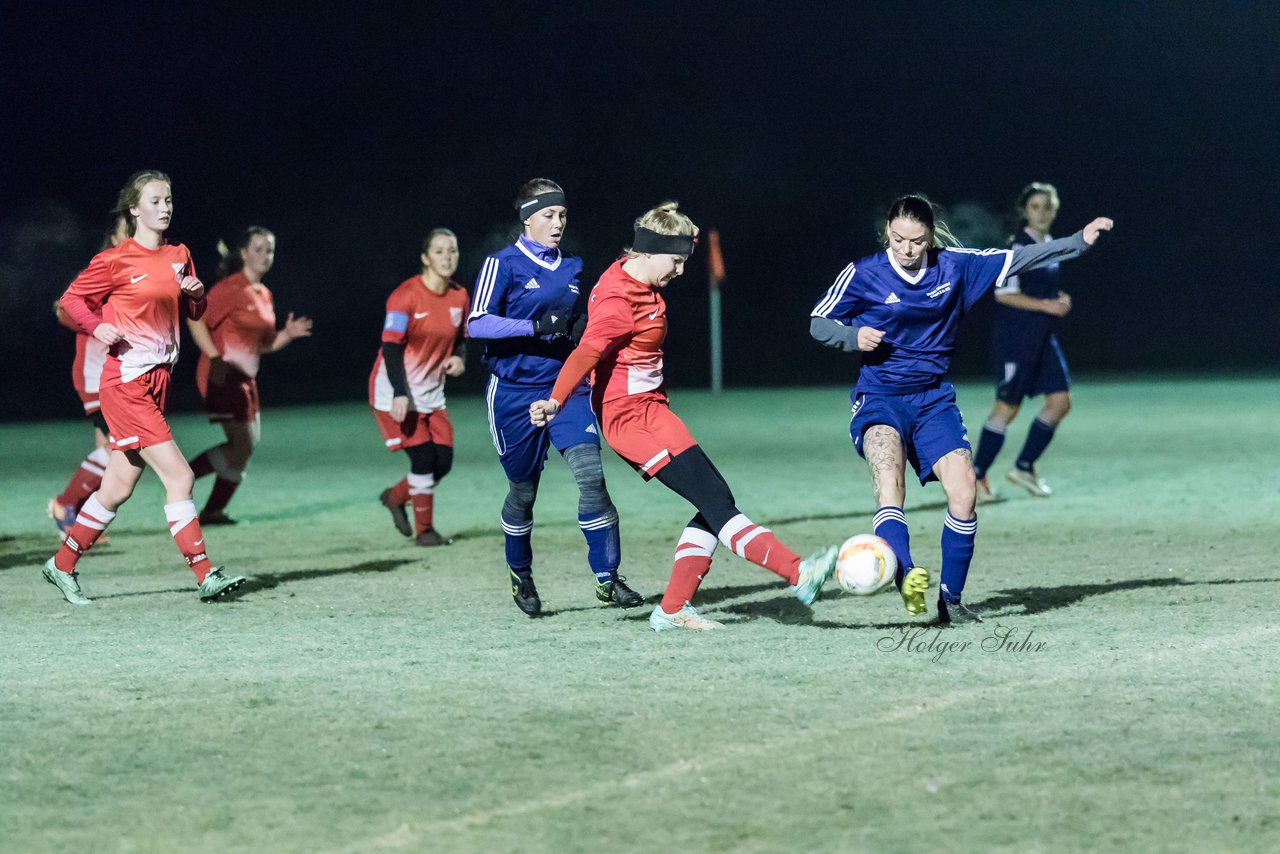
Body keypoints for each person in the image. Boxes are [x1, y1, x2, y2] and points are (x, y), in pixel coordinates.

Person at [530, 202, 840, 632]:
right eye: (675, 260)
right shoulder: (620, 299)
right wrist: (556, 400)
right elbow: (587, 351)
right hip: (631, 419)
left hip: (651, 411)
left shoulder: (632, 273)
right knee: (716, 502)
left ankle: (672, 609)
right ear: (648, 251)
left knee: (715, 500)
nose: (679, 270)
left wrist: (676, 227)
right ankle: (798, 572)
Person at [810, 194, 1111, 624]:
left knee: (965, 491)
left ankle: (950, 600)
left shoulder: (957, 265)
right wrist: (852, 337)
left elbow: (1023, 257)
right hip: (879, 399)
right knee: (890, 485)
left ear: (929, 236)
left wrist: (1079, 240)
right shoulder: (863, 274)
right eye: (897, 239)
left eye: (916, 241)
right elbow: (818, 321)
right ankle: (908, 577)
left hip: (933, 399)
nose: (907, 249)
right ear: (887, 235)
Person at [43, 169, 246, 605]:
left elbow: (195, 313)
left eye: (168, 200)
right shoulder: (115, 260)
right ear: (134, 209)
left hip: (158, 382)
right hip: (126, 383)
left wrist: (195, 293)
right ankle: (205, 574)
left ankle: (61, 566)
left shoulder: (180, 254)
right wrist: (97, 329)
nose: (165, 207)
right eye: (155, 201)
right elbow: (72, 300)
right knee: (180, 475)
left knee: (116, 488)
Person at [469, 178, 640, 617]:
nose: (558, 222)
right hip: (512, 395)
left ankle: (608, 579)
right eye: (548, 214)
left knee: (591, 477)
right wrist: (533, 327)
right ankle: (520, 573)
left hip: (566, 390)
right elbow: (477, 323)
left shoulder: (575, 268)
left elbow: (580, 323)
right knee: (523, 493)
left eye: (562, 214)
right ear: (527, 218)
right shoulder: (502, 264)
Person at [186, 227, 312, 524]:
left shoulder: (264, 294)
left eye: (269, 250)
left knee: (247, 446)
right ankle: (182, 480)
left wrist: (288, 334)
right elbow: (196, 319)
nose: (264, 255)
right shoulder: (230, 289)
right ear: (243, 253)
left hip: (246, 378)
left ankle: (213, 510)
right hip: (222, 374)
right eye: (258, 249)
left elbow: (264, 345)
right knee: (242, 444)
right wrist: (215, 357)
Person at [971, 183, 1074, 501]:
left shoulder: (1050, 245)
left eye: (1048, 206)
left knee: (1059, 402)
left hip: (1042, 339)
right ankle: (975, 478)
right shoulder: (1017, 248)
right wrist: (1047, 305)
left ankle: (1024, 467)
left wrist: (1057, 299)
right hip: (1016, 341)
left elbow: (1041, 291)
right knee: (1007, 409)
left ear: (1055, 211)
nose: (1042, 212)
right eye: (1035, 206)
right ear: (1024, 211)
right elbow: (1004, 294)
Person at [370, 228, 467, 546]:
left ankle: (395, 497)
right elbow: (391, 347)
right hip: (396, 392)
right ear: (425, 258)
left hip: (431, 394)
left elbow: (461, 340)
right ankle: (425, 531)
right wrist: (400, 391)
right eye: (439, 251)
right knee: (424, 460)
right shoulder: (405, 296)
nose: (447, 257)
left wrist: (458, 358)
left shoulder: (459, 296)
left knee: (443, 463)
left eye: (452, 250)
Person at [47, 217, 129, 537]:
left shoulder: (140, 269)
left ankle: (79, 518)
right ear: (113, 235)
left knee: (111, 454)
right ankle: (64, 504)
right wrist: (100, 326)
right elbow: (63, 309)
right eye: (128, 229)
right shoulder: (105, 269)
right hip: (97, 374)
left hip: (118, 375)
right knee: (117, 451)